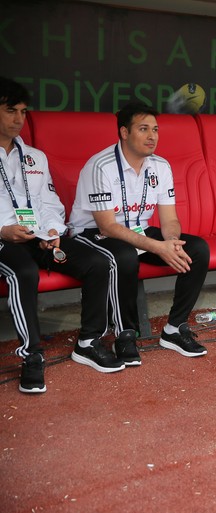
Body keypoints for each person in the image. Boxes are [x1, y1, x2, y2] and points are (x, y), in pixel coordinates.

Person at [69, 102, 210, 363]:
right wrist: (157, 247)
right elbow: (107, 226)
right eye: (143, 129)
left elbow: (169, 219)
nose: (152, 136)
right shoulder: (100, 165)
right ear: (124, 132)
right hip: (92, 235)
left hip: (138, 230)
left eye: (155, 129)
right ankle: (125, 334)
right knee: (125, 255)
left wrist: (171, 242)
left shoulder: (160, 166)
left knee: (198, 249)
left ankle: (174, 329)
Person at [0, 77, 116, 393]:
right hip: (2, 239)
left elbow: (50, 202)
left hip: (38, 235)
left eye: (23, 112)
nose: (18, 119)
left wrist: (51, 231)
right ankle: (32, 356)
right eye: (11, 110)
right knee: (23, 273)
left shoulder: (35, 157)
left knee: (96, 262)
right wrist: (2, 230)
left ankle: (89, 341)